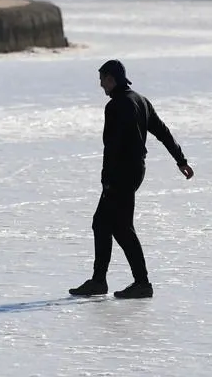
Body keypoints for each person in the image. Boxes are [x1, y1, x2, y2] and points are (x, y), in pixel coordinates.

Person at [70, 59, 194, 300]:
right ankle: (99, 281)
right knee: (102, 223)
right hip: (136, 170)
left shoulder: (116, 105)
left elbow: (112, 145)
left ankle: (141, 283)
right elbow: (162, 131)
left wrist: (107, 178)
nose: (100, 86)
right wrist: (180, 160)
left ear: (111, 79)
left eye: (102, 80)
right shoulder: (141, 100)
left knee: (120, 227)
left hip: (121, 172)